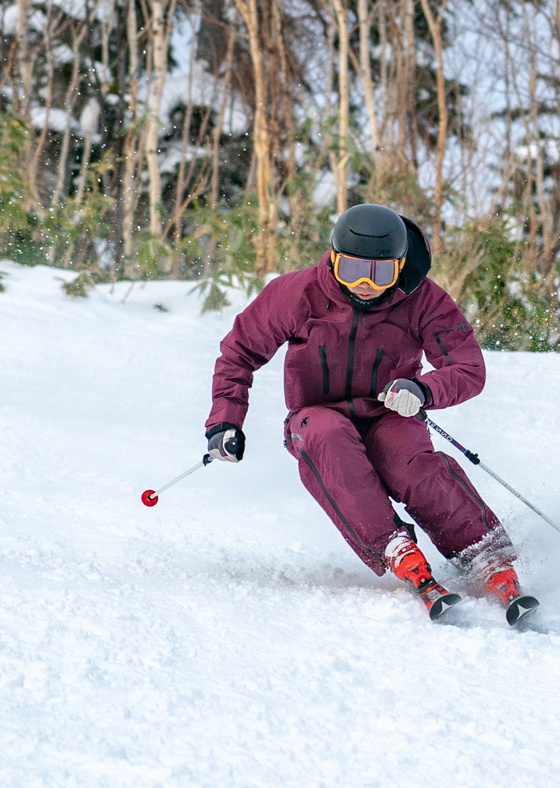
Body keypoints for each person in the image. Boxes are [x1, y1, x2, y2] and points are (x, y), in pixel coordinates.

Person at [203, 203, 537, 623]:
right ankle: (395, 547)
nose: (364, 284)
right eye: (353, 270)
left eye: (380, 274)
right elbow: (239, 352)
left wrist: (423, 389)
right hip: (315, 414)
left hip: (390, 411)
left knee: (413, 466)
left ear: (400, 267)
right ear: (334, 259)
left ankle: (487, 557)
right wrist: (225, 420)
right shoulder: (297, 293)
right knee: (328, 439)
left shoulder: (422, 300)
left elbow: (468, 368)